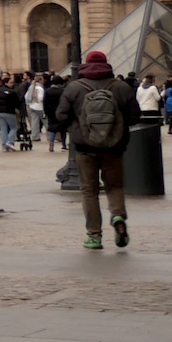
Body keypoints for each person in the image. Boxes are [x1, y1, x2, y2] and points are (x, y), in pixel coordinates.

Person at [54, 50, 139, 251]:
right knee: (114, 186)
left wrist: (77, 124)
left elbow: (61, 115)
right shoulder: (121, 87)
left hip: (84, 148)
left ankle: (94, 236)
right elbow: (135, 116)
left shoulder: (74, 88)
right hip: (114, 146)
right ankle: (117, 215)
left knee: (89, 191)